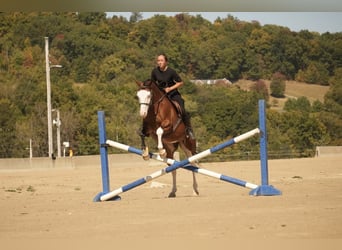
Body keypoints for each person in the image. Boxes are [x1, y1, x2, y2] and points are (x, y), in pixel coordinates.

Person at [150, 54, 195, 139]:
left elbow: (180, 82)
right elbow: (152, 84)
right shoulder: (155, 71)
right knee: (149, 107)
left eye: (161, 60)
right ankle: (145, 128)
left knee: (182, 109)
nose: (159, 62)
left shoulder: (171, 72)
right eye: (158, 61)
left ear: (166, 62)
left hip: (173, 94)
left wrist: (170, 88)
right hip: (161, 95)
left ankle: (188, 129)